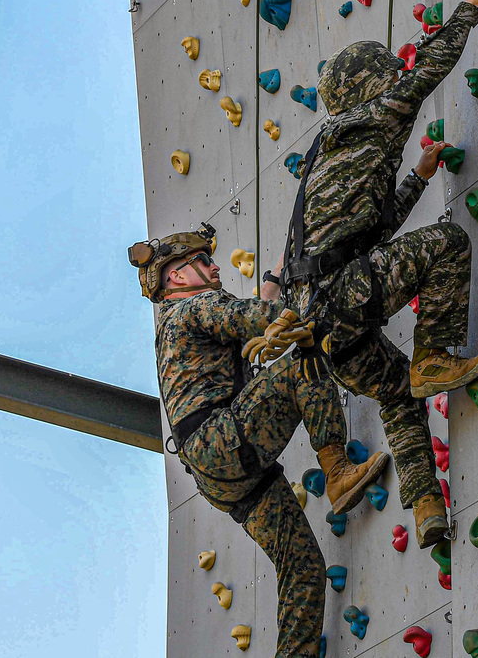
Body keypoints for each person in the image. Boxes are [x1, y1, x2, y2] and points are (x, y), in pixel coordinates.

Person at [276, 0, 478, 546]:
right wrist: (470, 4)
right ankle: (433, 356)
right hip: (344, 294)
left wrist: (419, 178)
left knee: (397, 393)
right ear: (371, 84)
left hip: (319, 327)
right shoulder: (376, 114)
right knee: (448, 245)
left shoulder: (327, 153)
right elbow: (430, 68)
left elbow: (369, 231)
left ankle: (427, 506)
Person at [132, 224, 387, 658]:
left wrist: (271, 286)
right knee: (300, 368)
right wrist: (305, 299)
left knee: (302, 567)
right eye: (203, 262)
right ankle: (338, 474)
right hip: (223, 439)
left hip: (219, 475)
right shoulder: (195, 307)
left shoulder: (172, 327)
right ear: (176, 276)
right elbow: (257, 321)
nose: (215, 268)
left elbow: (245, 335)